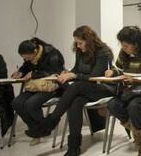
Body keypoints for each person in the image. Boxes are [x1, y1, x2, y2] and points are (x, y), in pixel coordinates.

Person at [27, 25, 114, 156]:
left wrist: (74, 76)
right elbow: (77, 69)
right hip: (85, 89)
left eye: (80, 43)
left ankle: (51, 122)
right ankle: (74, 147)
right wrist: (66, 73)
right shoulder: (80, 51)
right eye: (76, 43)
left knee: (75, 86)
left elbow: (95, 76)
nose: (78, 46)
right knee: (75, 102)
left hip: (103, 88)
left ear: (89, 40)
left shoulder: (103, 51)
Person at [106, 26, 141, 156]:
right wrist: (112, 72)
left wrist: (136, 80)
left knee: (134, 106)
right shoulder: (124, 53)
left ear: (136, 44)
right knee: (112, 104)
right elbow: (119, 69)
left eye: (126, 45)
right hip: (128, 92)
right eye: (122, 45)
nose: (123, 48)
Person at [11, 37, 64, 146]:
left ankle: (42, 130)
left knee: (31, 104)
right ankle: (37, 130)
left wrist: (35, 74)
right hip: (35, 86)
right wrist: (20, 72)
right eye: (24, 58)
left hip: (50, 87)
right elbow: (26, 67)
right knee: (16, 103)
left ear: (35, 52)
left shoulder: (52, 53)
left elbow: (56, 71)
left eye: (27, 57)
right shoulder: (30, 56)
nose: (26, 60)